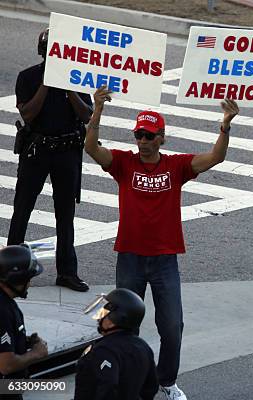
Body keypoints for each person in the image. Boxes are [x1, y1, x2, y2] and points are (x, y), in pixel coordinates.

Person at [84, 85, 239, 400]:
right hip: (129, 257)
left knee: (171, 327)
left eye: (149, 135)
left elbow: (216, 157)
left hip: (165, 259)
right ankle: (130, 381)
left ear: (162, 138)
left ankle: (166, 382)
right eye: (138, 135)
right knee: (122, 324)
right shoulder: (124, 163)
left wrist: (225, 125)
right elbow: (91, 148)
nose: (142, 141)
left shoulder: (177, 166)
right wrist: (97, 110)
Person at [8, 28, 93, 292]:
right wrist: (47, 82)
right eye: (51, 52)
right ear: (43, 53)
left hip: (67, 151)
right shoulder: (29, 77)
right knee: (22, 210)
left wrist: (69, 89)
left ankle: (67, 272)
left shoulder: (76, 79)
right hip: (37, 150)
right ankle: (11, 270)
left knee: (65, 214)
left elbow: (86, 115)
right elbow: (29, 113)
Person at [74, 288, 158, 400]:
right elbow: (151, 386)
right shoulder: (143, 346)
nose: (99, 319)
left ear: (114, 320)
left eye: (104, 314)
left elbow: (108, 386)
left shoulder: (103, 351)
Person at [0, 244, 49, 400]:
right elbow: (6, 365)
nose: (30, 284)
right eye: (28, 279)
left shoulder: (5, 302)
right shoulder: (2, 311)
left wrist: (21, 341)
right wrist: (36, 353)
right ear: (16, 279)